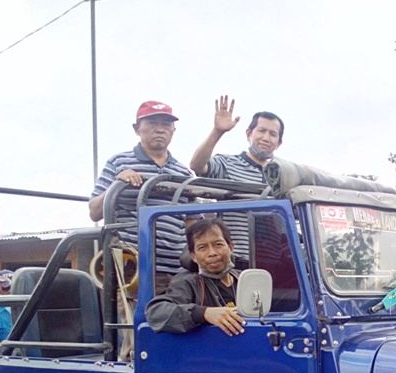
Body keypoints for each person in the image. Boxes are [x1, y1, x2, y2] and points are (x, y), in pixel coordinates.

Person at [89, 100, 195, 287]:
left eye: (166, 124)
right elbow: (94, 212)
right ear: (137, 129)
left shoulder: (184, 173)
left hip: (177, 274)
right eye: (153, 123)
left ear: (173, 131)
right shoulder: (119, 162)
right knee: (132, 317)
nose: (160, 129)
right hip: (132, 272)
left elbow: (193, 225)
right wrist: (117, 183)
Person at [145, 218, 246, 336]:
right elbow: (156, 312)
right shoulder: (187, 282)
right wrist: (204, 313)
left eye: (218, 244)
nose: (212, 252)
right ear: (193, 256)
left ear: (231, 247)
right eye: (202, 247)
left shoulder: (245, 279)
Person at [189, 95, 284, 185]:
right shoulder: (227, 164)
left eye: (273, 134)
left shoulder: (283, 176)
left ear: (278, 143)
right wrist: (217, 131)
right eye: (261, 131)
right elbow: (197, 166)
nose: (266, 138)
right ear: (248, 134)